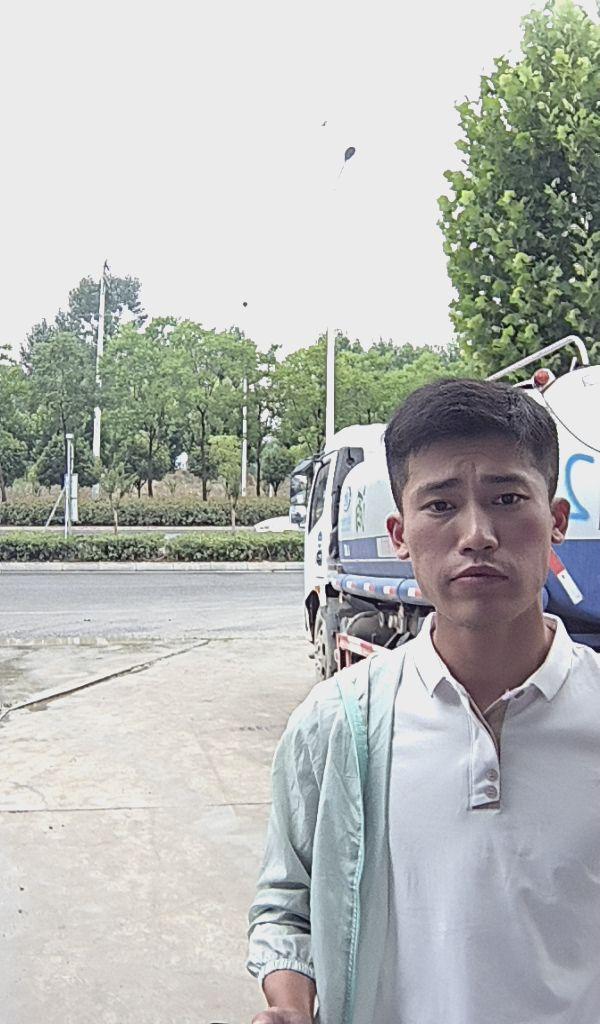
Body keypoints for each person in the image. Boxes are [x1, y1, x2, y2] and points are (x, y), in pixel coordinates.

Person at [246, 377, 600, 1024]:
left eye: (507, 498)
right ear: (400, 534)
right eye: (440, 505)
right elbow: (287, 905)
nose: (477, 534)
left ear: (556, 521)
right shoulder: (339, 725)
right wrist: (291, 1001)